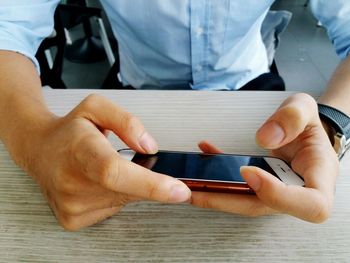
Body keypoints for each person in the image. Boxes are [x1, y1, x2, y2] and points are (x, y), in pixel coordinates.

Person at [0, 0, 349, 231]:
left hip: (255, 85)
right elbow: (8, 26)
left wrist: (331, 122)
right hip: (137, 87)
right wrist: (35, 140)